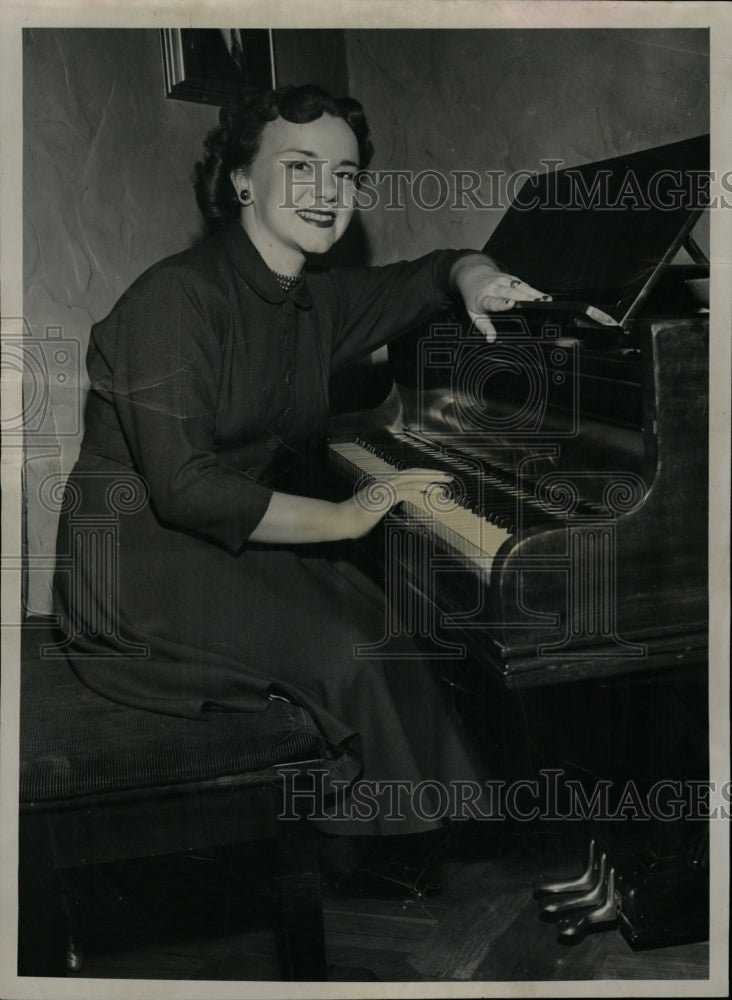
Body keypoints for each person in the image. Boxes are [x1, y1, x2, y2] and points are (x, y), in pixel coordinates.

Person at [53, 84, 546, 845]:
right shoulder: (175, 298)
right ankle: (374, 844)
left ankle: (426, 841)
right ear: (242, 180)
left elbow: (428, 272)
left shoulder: (313, 299)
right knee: (346, 651)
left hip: (224, 535)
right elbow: (183, 489)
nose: (327, 193)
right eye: (301, 166)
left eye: (345, 175)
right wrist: (350, 514)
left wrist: (474, 274)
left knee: (384, 622)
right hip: (135, 562)